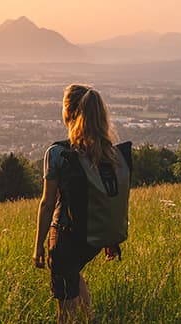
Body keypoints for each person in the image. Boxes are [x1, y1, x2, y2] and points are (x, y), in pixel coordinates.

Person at [33, 84, 125, 323]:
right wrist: (110, 237)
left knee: (65, 312)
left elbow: (47, 203)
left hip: (65, 234)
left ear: (68, 112)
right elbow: (111, 195)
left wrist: (38, 246)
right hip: (92, 236)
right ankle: (92, 319)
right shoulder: (109, 152)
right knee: (74, 272)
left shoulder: (58, 153)